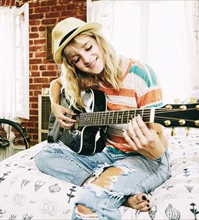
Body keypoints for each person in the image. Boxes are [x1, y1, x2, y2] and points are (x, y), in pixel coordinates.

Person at [35, 17, 171, 220]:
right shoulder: (87, 77)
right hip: (106, 154)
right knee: (44, 156)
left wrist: (152, 147)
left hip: (144, 159)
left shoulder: (140, 74)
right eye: (77, 59)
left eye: (88, 48)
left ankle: (105, 189)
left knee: (89, 205)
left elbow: (158, 146)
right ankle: (121, 195)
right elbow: (56, 83)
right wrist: (55, 106)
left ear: (98, 40)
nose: (87, 59)